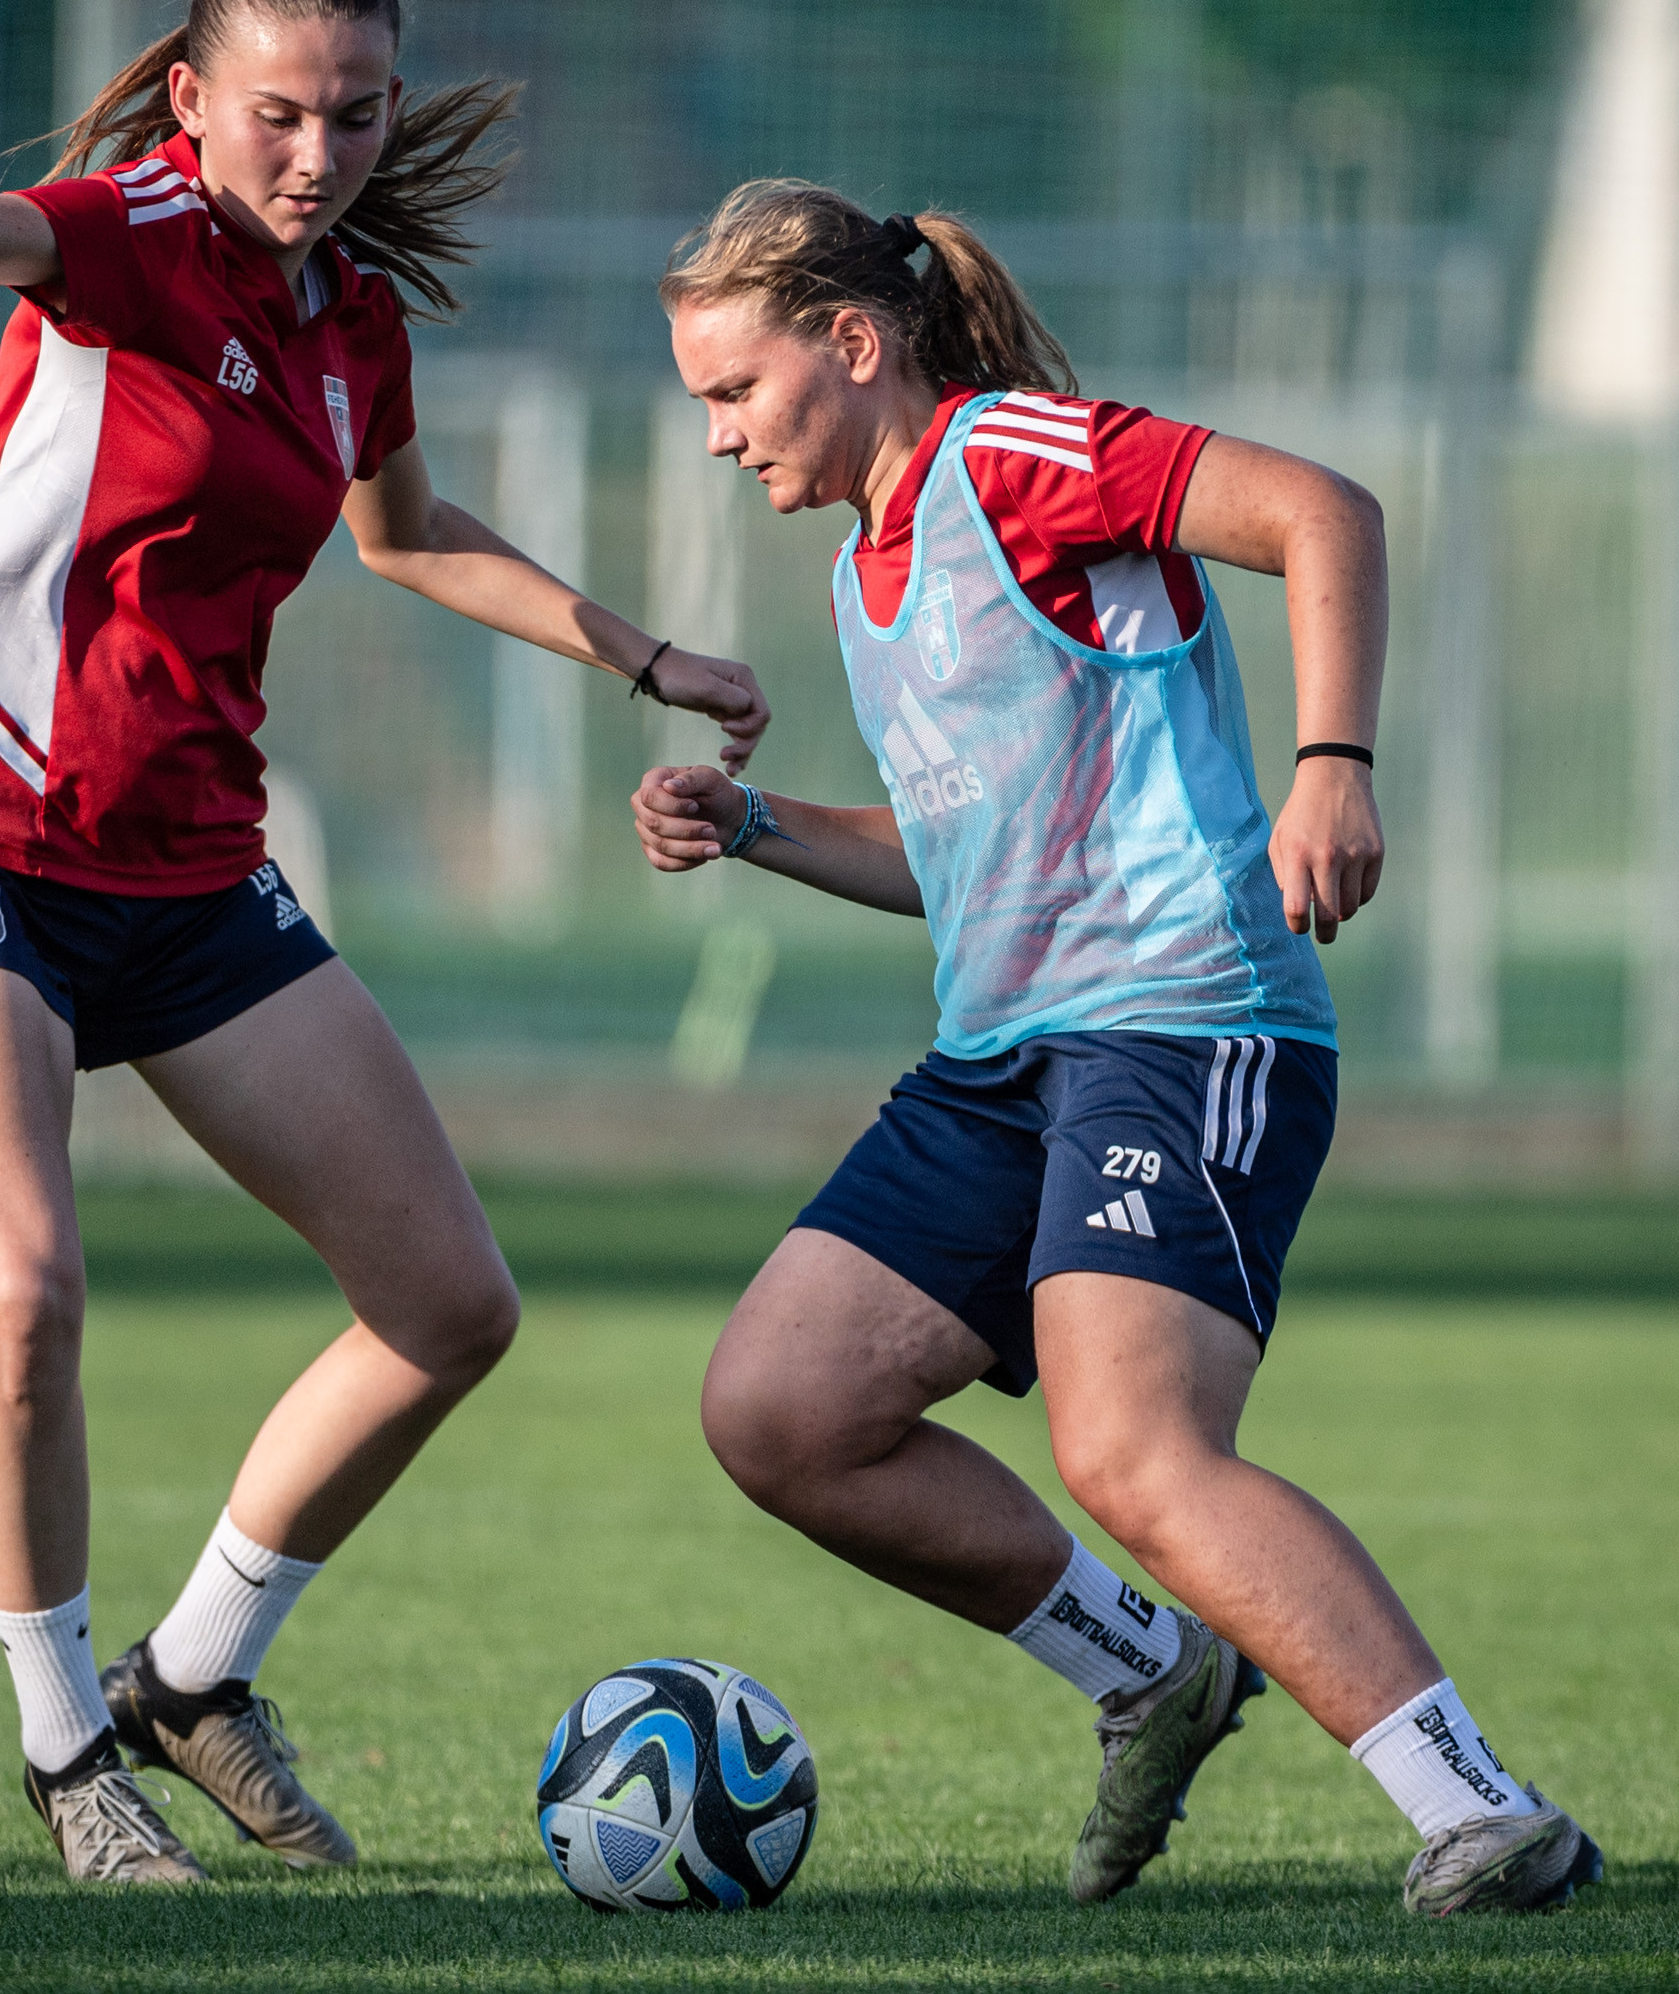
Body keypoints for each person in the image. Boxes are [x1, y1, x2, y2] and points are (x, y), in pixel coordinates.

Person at [0, 0, 768, 1884]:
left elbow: (406, 537)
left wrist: (645, 653)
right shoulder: (123, 233)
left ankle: (194, 1674)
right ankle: (71, 1755)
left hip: (187, 872)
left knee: (448, 1305)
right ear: (190, 100)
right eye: (278, 112)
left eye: (355, 114)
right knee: (25, 1290)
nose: (318, 152)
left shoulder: (352, 317)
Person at [629, 181, 1600, 1917]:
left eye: (735, 390)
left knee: (1134, 1449)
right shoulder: (865, 570)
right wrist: (756, 824)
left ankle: (1484, 1810)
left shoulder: (1014, 455)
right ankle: (1151, 1670)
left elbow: (1324, 510)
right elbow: (959, 861)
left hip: (1182, 1021)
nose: (717, 435)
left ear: (851, 342)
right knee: (781, 1408)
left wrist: (1333, 762)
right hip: (1002, 1059)